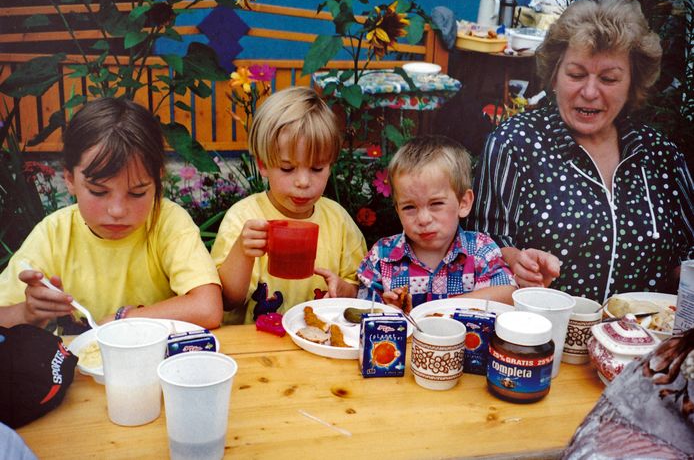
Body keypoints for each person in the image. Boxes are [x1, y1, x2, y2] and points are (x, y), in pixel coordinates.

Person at [468, 0, 694, 302]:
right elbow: (483, 245)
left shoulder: (658, 154)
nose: (589, 92)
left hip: (645, 341)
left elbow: (688, 253)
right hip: (546, 338)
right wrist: (517, 261)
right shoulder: (515, 143)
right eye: (576, 75)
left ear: (632, 84)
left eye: (609, 79)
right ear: (555, 76)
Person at [0, 97, 223, 330]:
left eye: (137, 193)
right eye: (98, 191)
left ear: (158, 181)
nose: (117, 211)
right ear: (69, 179)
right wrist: (27, 312)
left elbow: (208, 308)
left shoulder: (166, 222)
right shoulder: (54, 234)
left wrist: (122, 320)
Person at [211, 87, 366, 324]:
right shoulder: (244, 217)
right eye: (287, 168)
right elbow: (226, 301)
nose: (303, 182)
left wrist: (344, 290)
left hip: (319, 341)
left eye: (317, 169)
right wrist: (242, 253)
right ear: (263, 165)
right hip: (258, 346)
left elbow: (361, 292)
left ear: (330, 165)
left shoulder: (338, 220)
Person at [357, 135, 517, 310]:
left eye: (436, 204)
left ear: (463, 203)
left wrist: (441, 308)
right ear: (397, 210)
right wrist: (389, 310)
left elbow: (508, 294)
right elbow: (362, 312)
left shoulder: (480, 250)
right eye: (409, 207)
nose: (424, 219)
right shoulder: (382, 257)